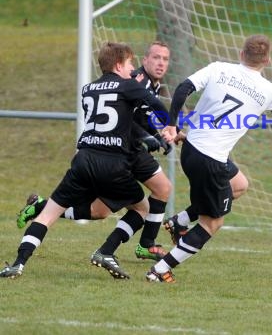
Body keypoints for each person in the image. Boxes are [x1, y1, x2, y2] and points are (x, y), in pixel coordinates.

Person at [0, 42, 170, 279]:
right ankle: (107, 251)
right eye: (130, 63)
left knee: (49, 216)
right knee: (142, 209)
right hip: (113, 164)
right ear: (119, 65)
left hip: (83, 159)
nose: (132, 69)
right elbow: (155, 104)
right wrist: (169, 125)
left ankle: (18, 264)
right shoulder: (129, 85)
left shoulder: (88, 89)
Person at [146, 34, 272, 283]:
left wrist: (172, 125)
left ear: (241, 54)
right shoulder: (270, 91)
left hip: (190, 149)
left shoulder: (218, 68)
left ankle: (180, 221)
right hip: (211, 160)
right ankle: (161, 269)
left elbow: (182, 89)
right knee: (212, 223)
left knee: (239, 185)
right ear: (268, 60)